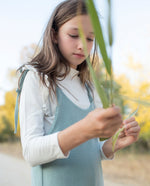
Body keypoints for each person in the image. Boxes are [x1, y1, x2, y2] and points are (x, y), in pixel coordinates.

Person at [16, 0, 140, 186]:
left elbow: (89, 152)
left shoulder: (90, 87)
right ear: (54, 35)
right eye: (74, 35)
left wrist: (113, 144)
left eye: (90, 38)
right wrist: (84, 129)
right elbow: (31, 152)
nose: (83, 45)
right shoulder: (37, 79)